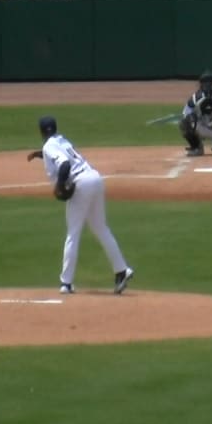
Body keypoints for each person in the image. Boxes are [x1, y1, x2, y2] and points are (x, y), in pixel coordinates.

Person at [27, 116, 135, 295]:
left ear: (41, 132)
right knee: (101, 228)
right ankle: (122, 270)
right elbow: (64, 156)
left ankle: (66, 283)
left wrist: (59, 187)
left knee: (73, 233)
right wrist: (39, 154)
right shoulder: (61, 140)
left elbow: (64, 165)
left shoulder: (49, 146)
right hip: (95, 178)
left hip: (81, 184)